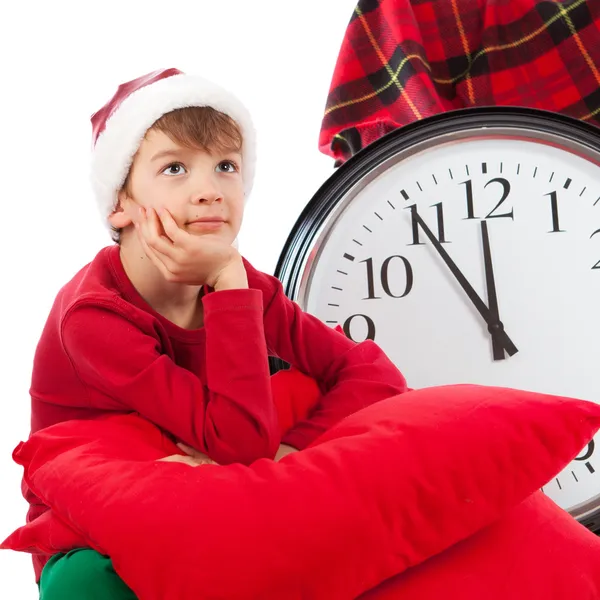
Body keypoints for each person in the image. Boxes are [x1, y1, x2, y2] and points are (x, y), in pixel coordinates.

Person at [26, 67, 409, 599]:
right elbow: (238, 442)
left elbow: (371, 372)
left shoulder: (242, 281)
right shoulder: (94, 317)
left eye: (226, 166)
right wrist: (227, 283)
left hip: (217, 503)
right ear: (121, 205)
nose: (209, 191)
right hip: (103, 533)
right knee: (84, 584)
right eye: (175, 168)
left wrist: (292, 452)